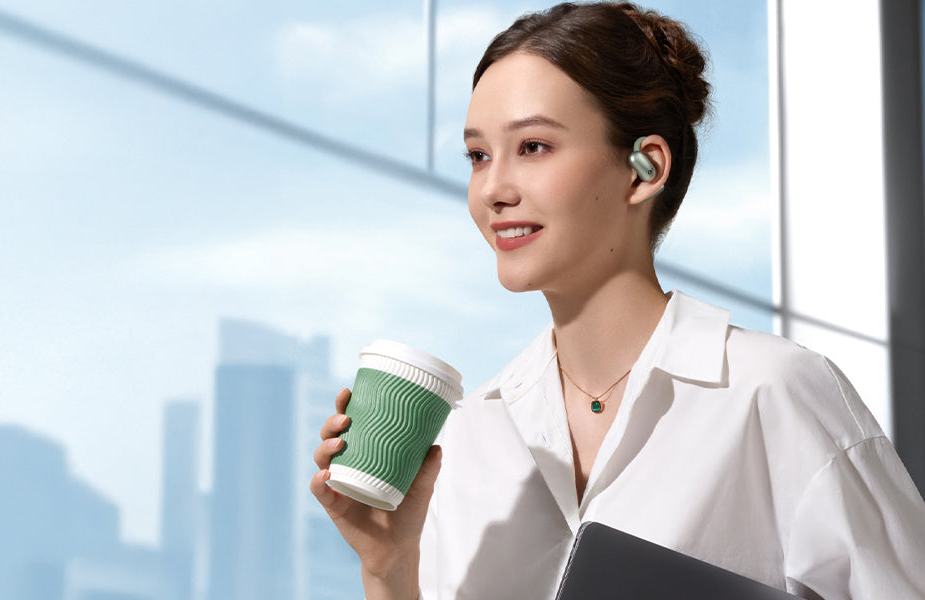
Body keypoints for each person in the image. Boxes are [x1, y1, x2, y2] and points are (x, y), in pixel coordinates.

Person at [308, 2, 925, 599]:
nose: (492, 188)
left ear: (643, 168)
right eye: (478, 156)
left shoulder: (775, 392)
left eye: (533, 147)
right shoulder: (468, 438)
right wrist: (388, 569)